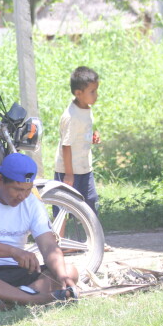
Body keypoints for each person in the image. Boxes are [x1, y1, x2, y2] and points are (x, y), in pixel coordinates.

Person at [0, 153, 79, 314]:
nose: (22, 196)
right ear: (0, 180)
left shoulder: (32, 203)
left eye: (27, 190)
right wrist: (14, 252)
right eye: (17, 189)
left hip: (19, 272)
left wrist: (62, 276)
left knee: (69, 271)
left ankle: (4, 303)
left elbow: (48, 246)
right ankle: (34, 299)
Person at [54, 66, 101, 220]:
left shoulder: (86, 108)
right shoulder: (71, 116)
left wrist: (92, 136)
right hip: (69, 171)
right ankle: (57, 241)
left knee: (91, 202)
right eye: (92, 91)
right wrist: (68, 174)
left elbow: (82, 132)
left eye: (96, 90)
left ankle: (95, 239)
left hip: (85, 169)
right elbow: (66, 145)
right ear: (78, 93)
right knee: (64, 206)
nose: (96, 95)